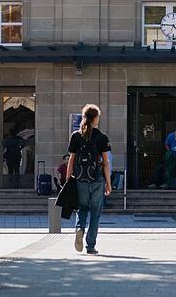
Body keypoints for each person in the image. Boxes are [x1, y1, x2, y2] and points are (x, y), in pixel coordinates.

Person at [66, 103, 111, 255]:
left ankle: (79, 229)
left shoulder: (76, 136)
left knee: (82, 208)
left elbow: (71, 159)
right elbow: (105, 162)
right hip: (97, 178)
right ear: (95, 118)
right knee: (95, 212)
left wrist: (68, 180)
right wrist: (108, 183)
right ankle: (90, 246)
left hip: (80, 178)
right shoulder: (102, 137)